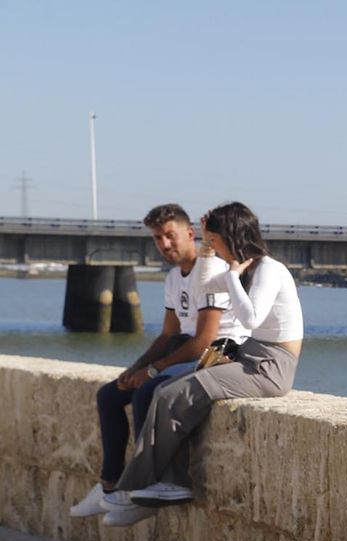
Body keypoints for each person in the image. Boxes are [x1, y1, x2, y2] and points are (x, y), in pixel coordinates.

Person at [102, 202, 304, 526]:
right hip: (249, 355)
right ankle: (166, 483)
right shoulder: (244, 269)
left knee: (174, 394)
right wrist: (210, 256)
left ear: (231, 236)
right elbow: (206, 288)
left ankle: (137, 487)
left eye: (214, 241)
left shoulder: (268, 269)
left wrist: (233, 276)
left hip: (271, 366)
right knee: (166, 390)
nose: (212, 247)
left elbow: (251, 319)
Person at [69, 203, 245, 518]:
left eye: (170, 235)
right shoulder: (174, 277)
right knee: (109, 395)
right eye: (157, 238)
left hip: (217, 351)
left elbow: (203, 341)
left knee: (147, 392)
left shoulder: (213, 270)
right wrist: (135, 369)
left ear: (190, 234)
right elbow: (167, 335)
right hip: (184, 345)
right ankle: (110, 486)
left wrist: (151, 372)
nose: (164, 244)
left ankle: (146, 486)